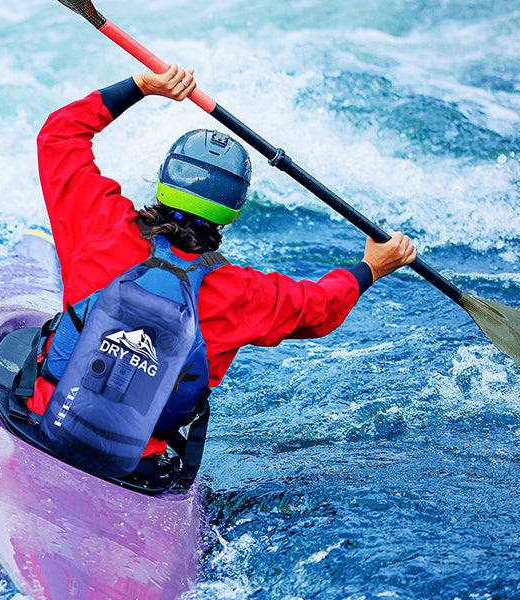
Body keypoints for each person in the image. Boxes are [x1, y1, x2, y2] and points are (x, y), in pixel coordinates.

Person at [26, 65, 417, 488]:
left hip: (43, 422)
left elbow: (58, 137)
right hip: (135, 464)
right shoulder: (243, 293)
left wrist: (140, 86)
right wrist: (371, 267)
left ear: (163, 180)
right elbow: (320, 307)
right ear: (233, 211)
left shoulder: (99, 226)